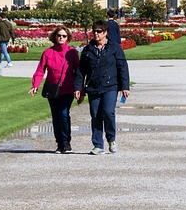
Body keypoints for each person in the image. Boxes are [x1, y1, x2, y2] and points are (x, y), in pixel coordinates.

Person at [75, 20, 130, 154]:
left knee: (108, 112)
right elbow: (81, 71)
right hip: (93, 87)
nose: (96, 34)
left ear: (105, 33)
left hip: (110, 86)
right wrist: (78, 88)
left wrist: (125, 86)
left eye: (99, 31)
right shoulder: (88, 49)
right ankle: (98, 144)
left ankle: (111, 139)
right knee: (95, 115)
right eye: (94, 31)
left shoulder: (114, 47)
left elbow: (122, 67)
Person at [29, 27, 81, 153]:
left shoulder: (72, 52)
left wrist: (79, 89)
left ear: (67, 37)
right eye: (59, 35)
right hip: (52, 89)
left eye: (64, 36)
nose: (61, 38)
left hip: (67, 88)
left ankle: (66, 142)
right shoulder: (48, 53)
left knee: (63, 114)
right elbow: (40, 70)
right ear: (55, 36)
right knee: (56, 116)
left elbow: (78, 71)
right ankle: (59, 143)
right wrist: (35, 85)